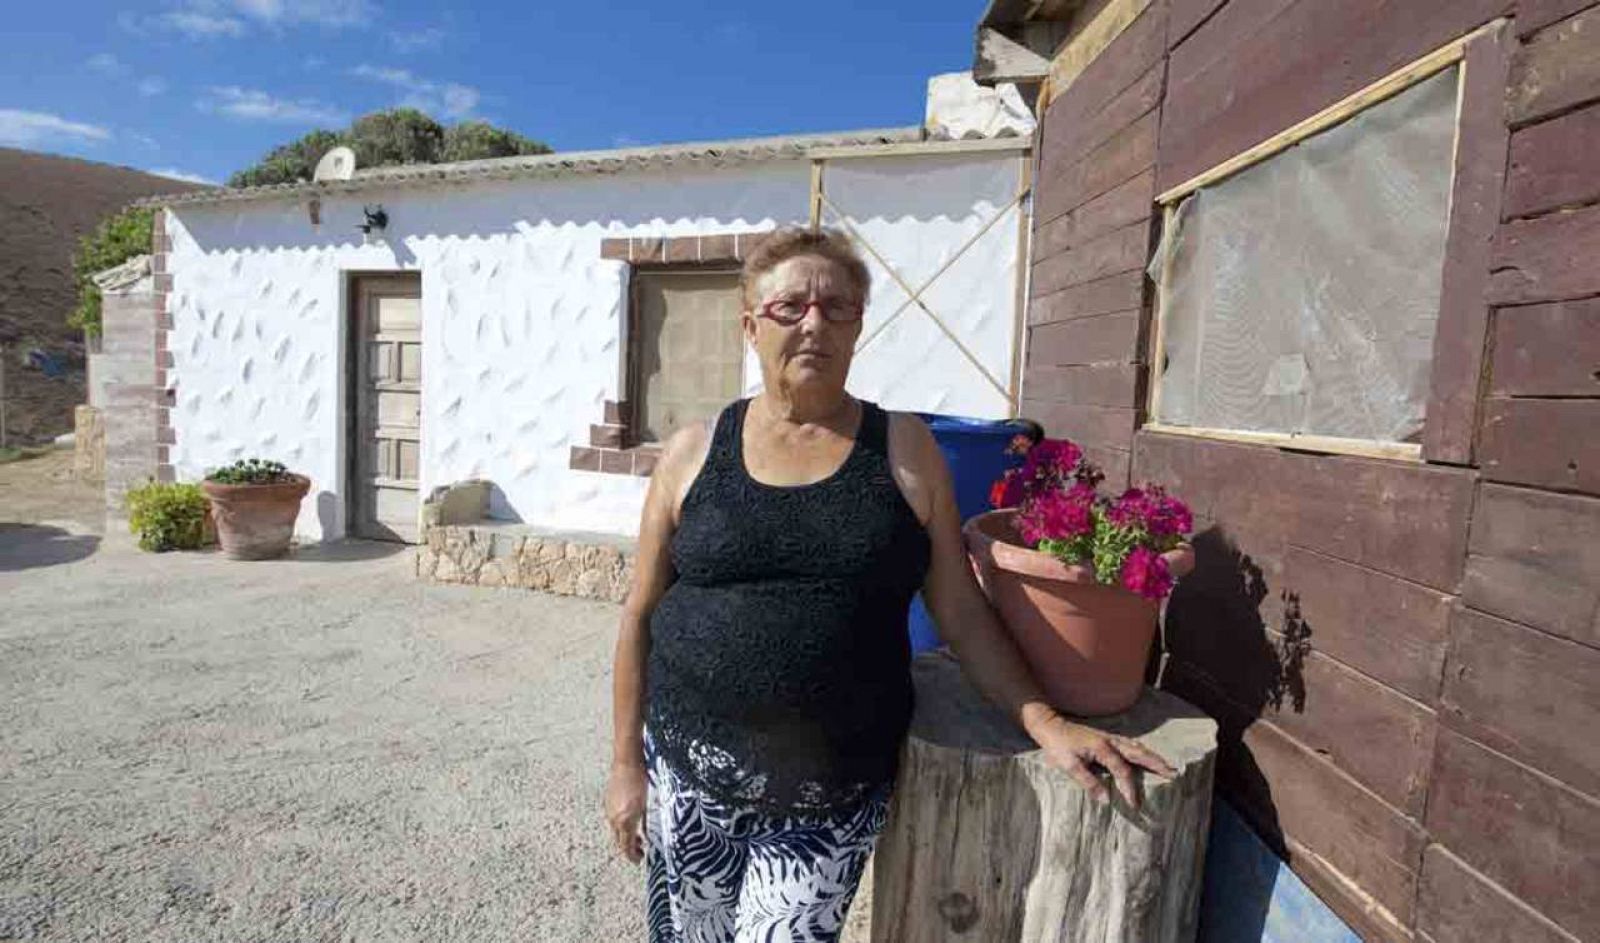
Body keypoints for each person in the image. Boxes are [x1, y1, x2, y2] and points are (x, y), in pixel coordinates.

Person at [603, 227, 1172, 943]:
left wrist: (1045, 722)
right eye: (790, 307)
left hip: (827, 796)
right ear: (750, 326)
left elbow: (958, 608)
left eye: (836, 307)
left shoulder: (904, 451)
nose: (814, 322)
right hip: (689, 773)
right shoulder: (692, 451)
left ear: (857, 327)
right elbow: (640, 614)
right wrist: (625, 764)